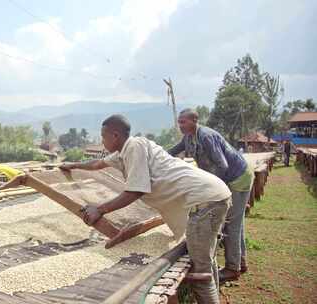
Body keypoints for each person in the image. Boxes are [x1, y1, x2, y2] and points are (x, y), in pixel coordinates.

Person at [60, 114, 231, 304]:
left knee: (200, 272)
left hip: (205, 201)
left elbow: (135, 191)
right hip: (211, 196)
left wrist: (99, 209)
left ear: (115, 136)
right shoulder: (121, 154)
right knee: (206, 260)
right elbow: (97, 163)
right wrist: (73, 165)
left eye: (103, 136)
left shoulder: (134, 147)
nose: (102, 141)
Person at [168, 108, 254, 283]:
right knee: (237, 223)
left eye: (183, 122)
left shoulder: (205, 137)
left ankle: (232, 269)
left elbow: (222, 165)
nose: (180, 125)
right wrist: (154, 156)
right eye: (179, 122)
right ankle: (240, 262)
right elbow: (172, 151)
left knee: (231, 225)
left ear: (194, 120)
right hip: (232, 179)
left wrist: (213, 190)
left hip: (237, 179)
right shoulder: (188, 138)